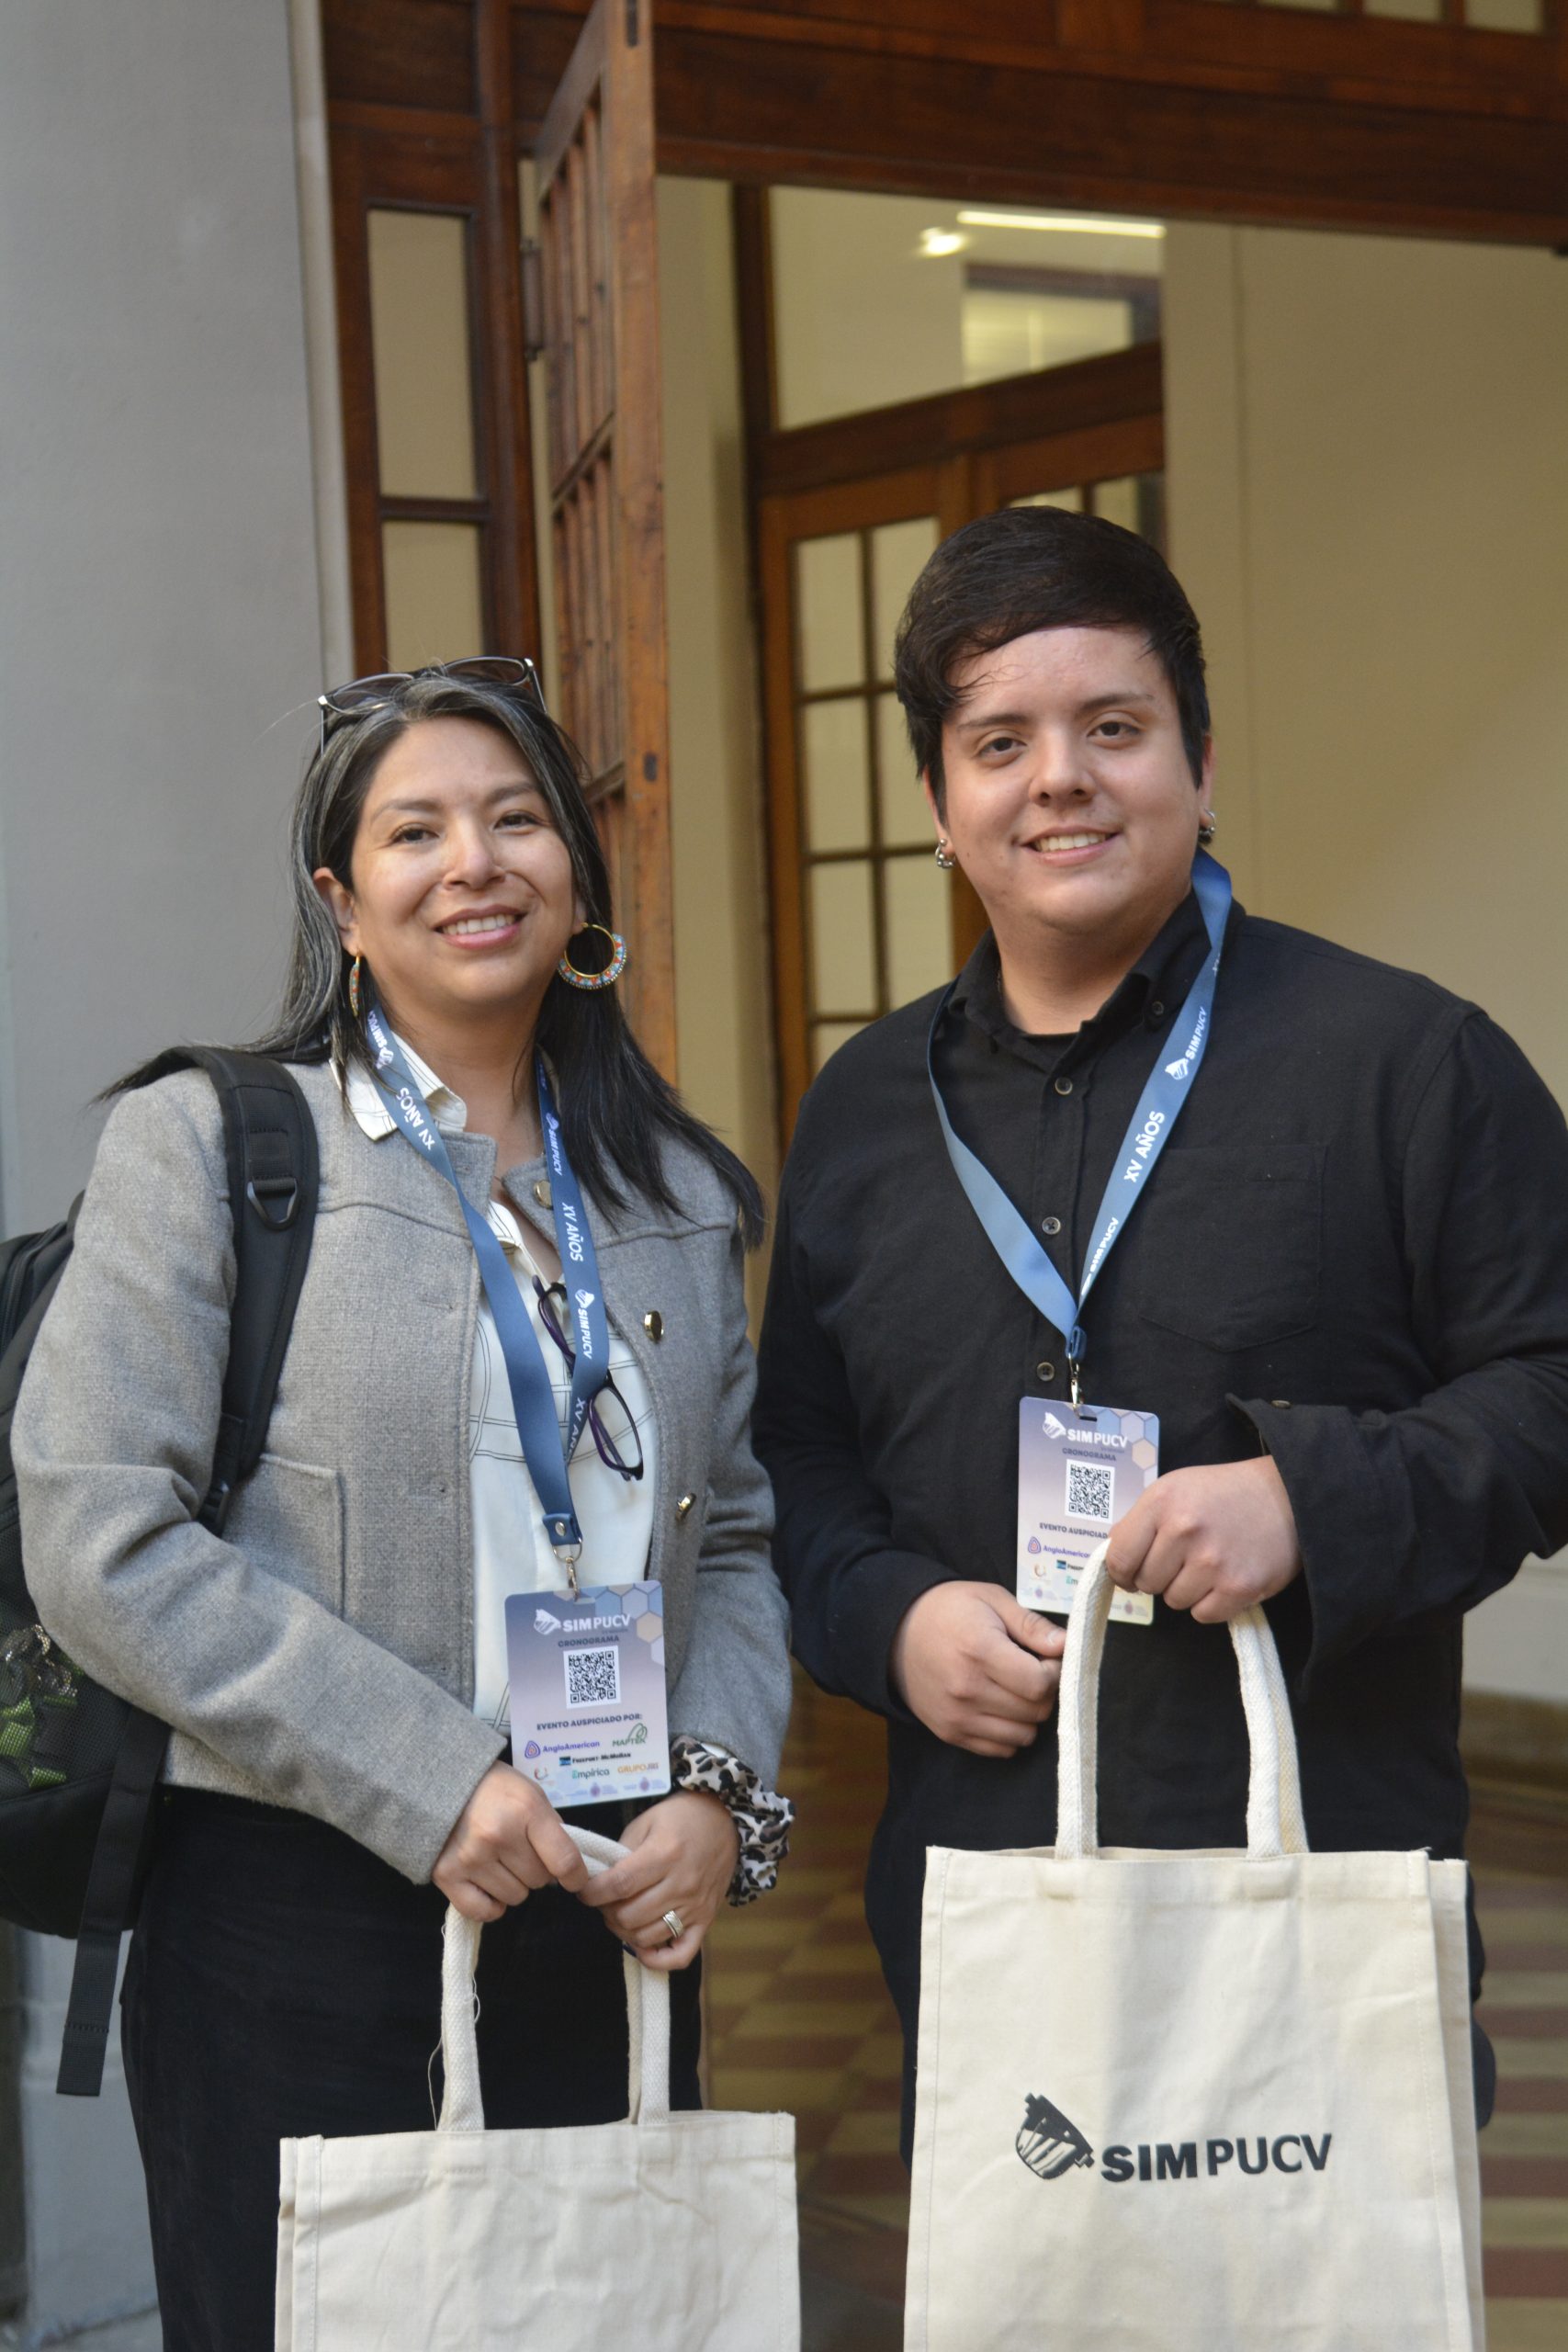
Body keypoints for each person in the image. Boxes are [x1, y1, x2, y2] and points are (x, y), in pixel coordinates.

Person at [752, 503, 1568, 2152]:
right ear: (940, 805)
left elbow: (1550, 1386)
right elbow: (798, 1467)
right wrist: (889, 1623)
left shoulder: (1407, 1063)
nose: (1060, 779)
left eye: (1113, 728)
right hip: (987, 1909)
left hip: (1319, 1894)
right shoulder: (863, 1111)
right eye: (1001, 743)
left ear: (1199, 763)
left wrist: (1309, 1500)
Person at [14, 658, 793, 2348]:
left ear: (576, 873)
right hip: (294, 1916)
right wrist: (433, 1781)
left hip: (606, 1898)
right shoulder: (211, 1146)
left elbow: (731, 1533)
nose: (475, 864)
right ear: (341, 901)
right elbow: (98, 1532)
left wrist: (716, 1788)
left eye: (517, 820)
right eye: (416, 831)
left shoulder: (672, 1189)